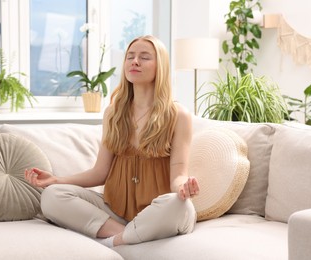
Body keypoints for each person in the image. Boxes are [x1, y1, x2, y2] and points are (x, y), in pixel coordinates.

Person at [24, 35, 200, 247]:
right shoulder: (113, 113)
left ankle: (113, 242)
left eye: (144, 57)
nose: (135, 61)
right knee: (52, 196)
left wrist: (183, 188)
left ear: (160, 66)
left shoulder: (178, 115)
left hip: (157, 211)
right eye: (130, 57)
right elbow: (100, 173)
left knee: (180, 206)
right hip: (115, 211)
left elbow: (179, 174)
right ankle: (128, 235)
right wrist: (55, 180)